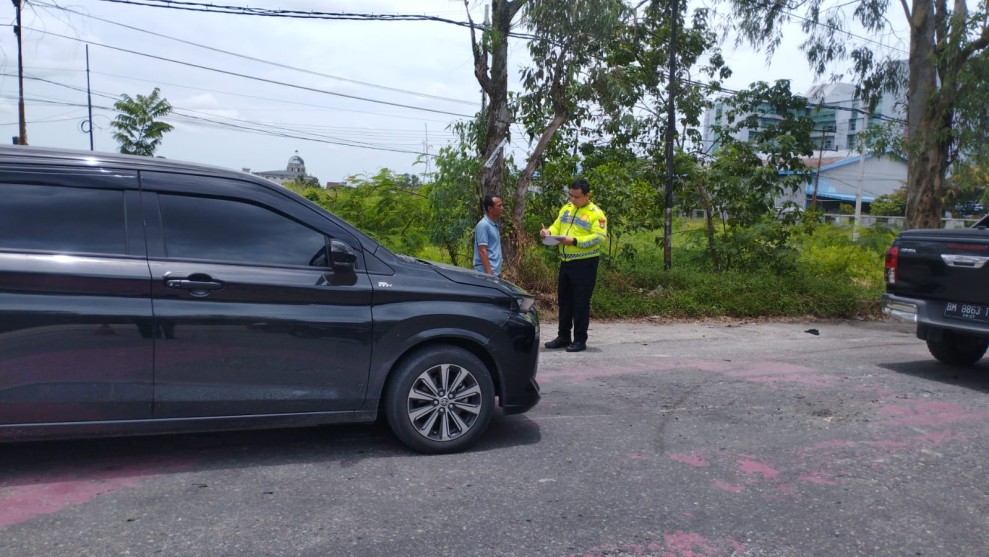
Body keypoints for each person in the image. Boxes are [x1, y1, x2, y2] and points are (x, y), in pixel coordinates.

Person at [540, 179, 607, 352]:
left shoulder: (596, 213)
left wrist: (575, 241)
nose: (573, 199)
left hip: (585, 264)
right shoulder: (567, 208)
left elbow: (599, 238)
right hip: (566, 261)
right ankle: (563, 336)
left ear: (587, 195)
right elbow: (557, 226)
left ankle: (579, 339)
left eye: (576, 197)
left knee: (580, 302)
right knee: (565, 301)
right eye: (570, 195)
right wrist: (548, 232)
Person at [474, 194, 504, 276]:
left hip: (494, 272)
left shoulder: (494, 225)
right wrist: (489, 274)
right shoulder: (483, 225)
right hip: (486, 274)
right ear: (490, 208)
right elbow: (482, 251)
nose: (502, 208)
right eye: (499, 206)